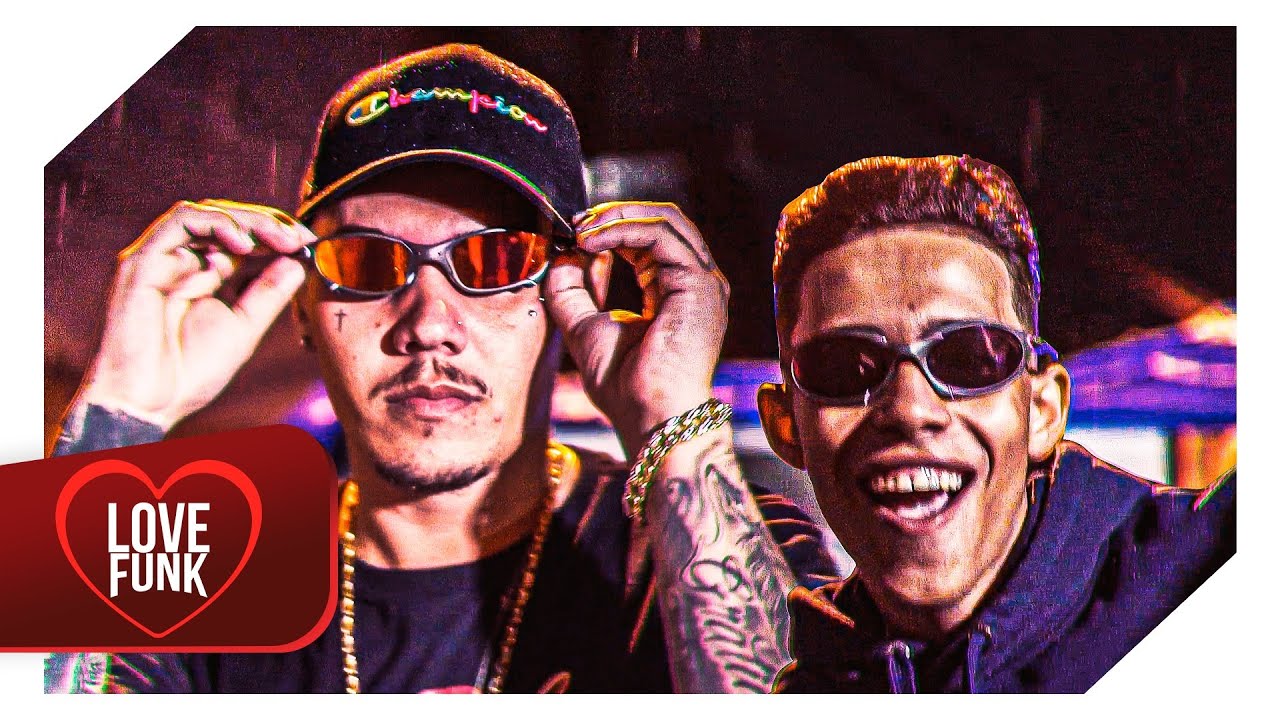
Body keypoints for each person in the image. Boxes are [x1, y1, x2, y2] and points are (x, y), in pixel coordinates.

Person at [45, 44, 835, 694]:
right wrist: (119, 409)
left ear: (582, 292)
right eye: (368, 262)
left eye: (494, 262)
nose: (428, 326)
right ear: (303, 307)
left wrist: (675, 420)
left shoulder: (705, 545)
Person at [756, 155, 1235, 693]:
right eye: (845, 366)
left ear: (1043, 412)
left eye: (970, 358)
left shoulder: (1210, 569)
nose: (911, 410)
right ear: (786, 425)